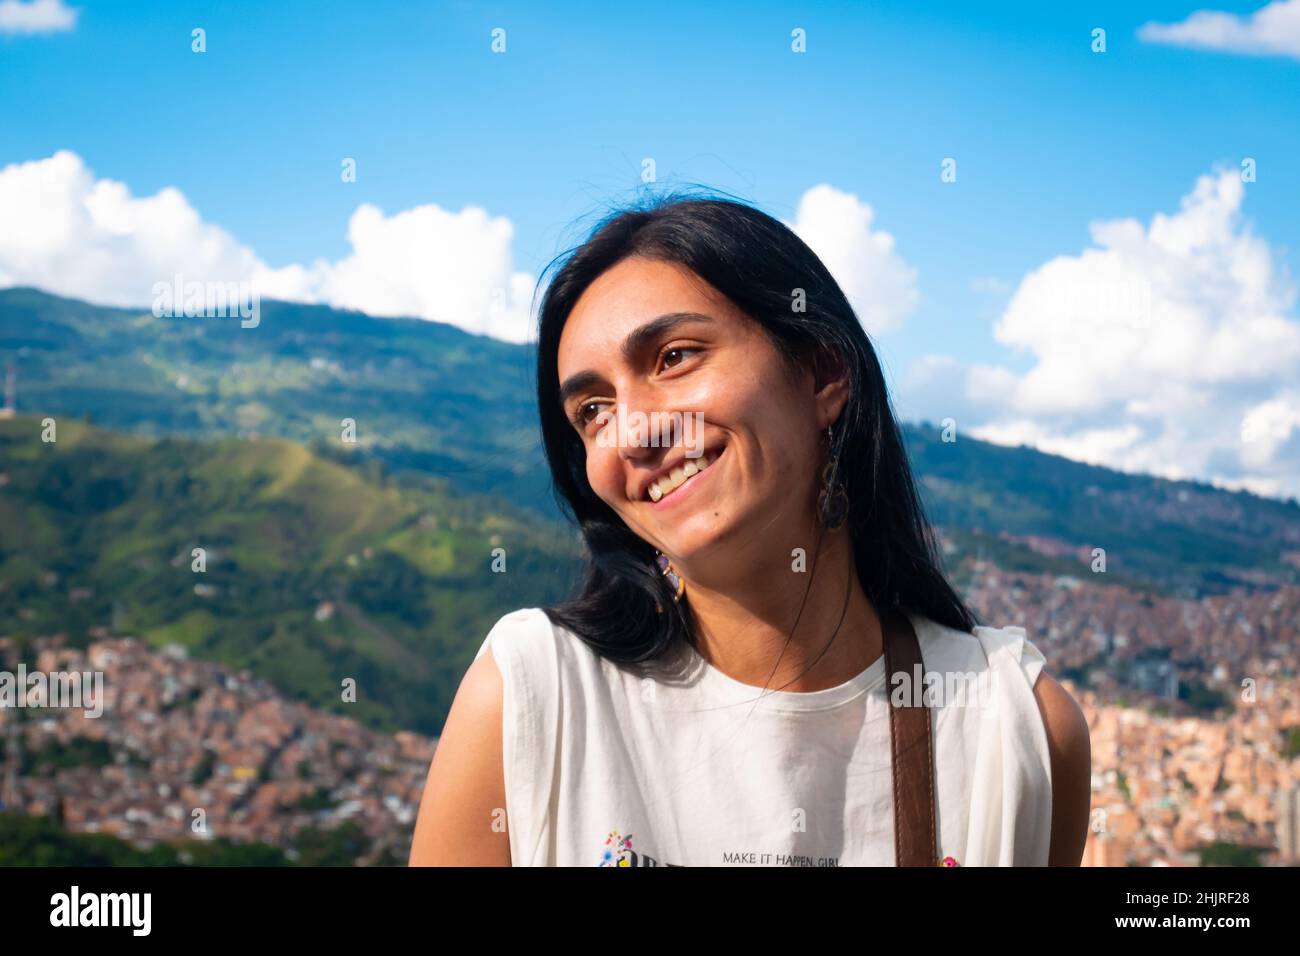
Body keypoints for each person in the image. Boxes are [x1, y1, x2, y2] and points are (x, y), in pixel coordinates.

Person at [409, 191, 1091, 867]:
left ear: (823, 372)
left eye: (674, 357)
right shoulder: (534, 698)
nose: (636, 432)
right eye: (593, 410)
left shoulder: (1016, 730)